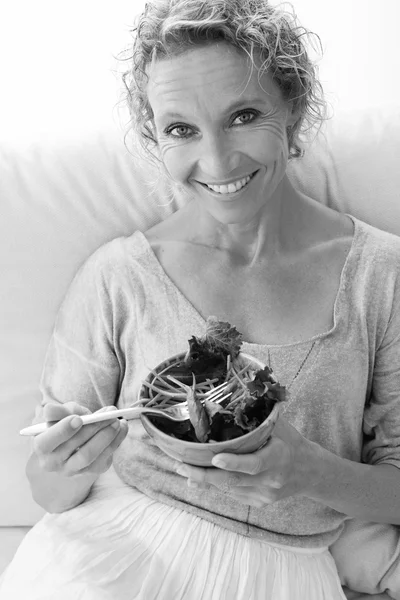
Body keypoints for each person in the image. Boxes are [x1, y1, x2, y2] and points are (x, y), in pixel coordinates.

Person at [1, 0, 400, 598]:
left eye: (242, 115)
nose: (216, 160)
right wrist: (60, 465)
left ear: (292, 108)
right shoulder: (117, 275)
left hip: (282, 573)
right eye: (180, 130)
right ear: (154, 136)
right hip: (106, 554)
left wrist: (310, 473)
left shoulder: (381, 275)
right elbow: (51, 492)